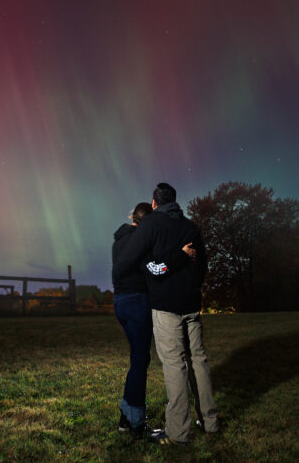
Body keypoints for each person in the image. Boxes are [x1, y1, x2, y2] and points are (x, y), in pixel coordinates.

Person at [113, 182, 219, 446]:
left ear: (153, 203)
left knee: (175, 365)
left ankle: (178, 433)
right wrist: (191, 285)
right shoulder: (191, 226)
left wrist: (142, 265)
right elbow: (203, 266)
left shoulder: (151, 225)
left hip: (166, 306)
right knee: (199, 362)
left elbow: (132, 262)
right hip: (192, 305)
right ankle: (209, 422)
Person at [111, 201, 194, 439]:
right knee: (139, 361)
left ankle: (126, 417)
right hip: (137, 302)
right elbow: (156, 269)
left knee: (138, 359)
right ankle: (134, 423)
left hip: (119, 302)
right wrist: (181, 255)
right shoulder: (142, 240)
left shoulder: (119, 240)